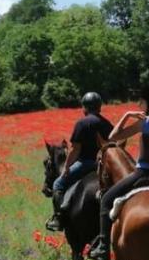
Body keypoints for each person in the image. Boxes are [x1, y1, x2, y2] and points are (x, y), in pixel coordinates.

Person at [88, 83, 149, 260]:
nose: (139, 105)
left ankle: (103, 245)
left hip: (144, 174)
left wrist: (126, 116)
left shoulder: (145, 123)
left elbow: (113, 138)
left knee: (106, 200)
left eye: (141, 101)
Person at [47, 92, 113, 232]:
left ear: (85, 107)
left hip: (86, 163)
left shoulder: (82, 123)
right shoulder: (107, 124)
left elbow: (76, 149)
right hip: (103, 165)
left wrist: (66, 167)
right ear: (99, 107)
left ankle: (59, 218)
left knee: (57, 183)